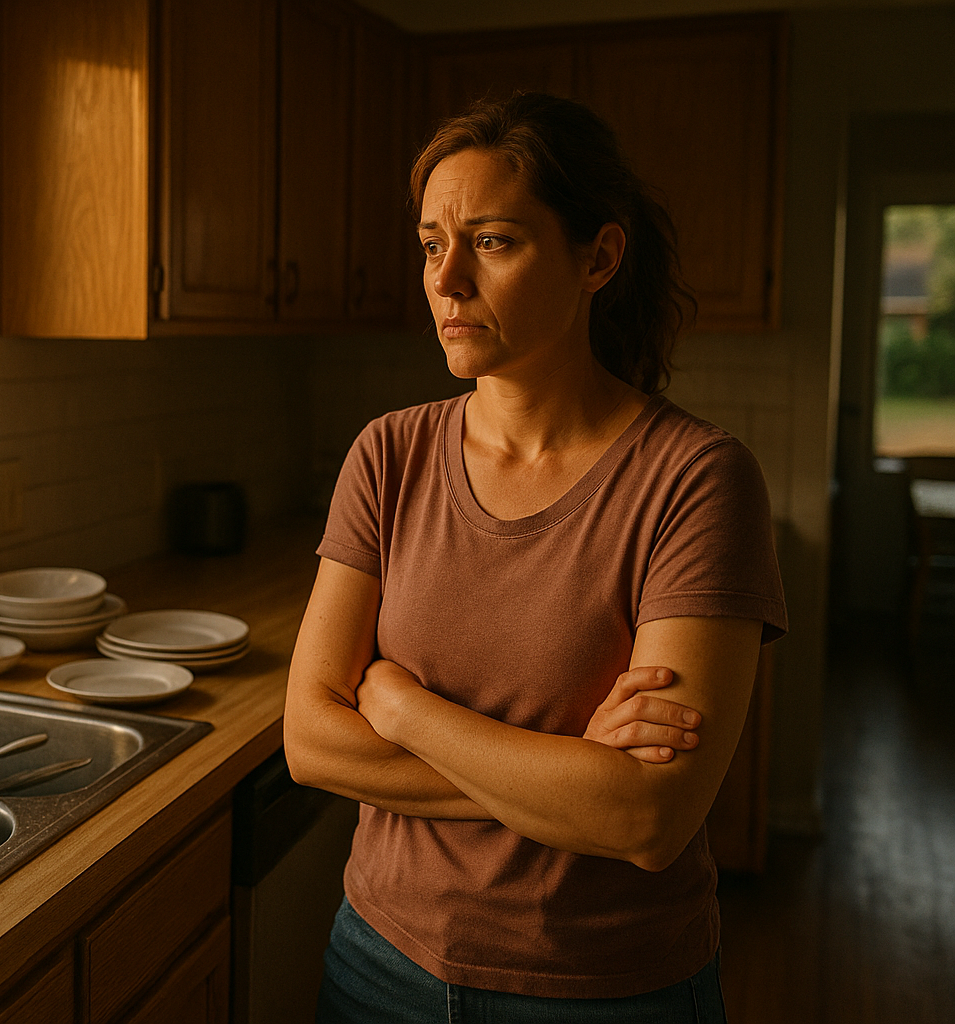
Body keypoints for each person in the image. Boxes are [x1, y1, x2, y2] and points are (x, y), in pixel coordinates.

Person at [283, 92, 788, 1023]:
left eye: (494, 241)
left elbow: (645, 820)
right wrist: (565, 778)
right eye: (434, 244)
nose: (447, 282)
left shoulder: (698, 480)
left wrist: (397, 704)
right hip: (376, 965)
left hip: (605, 991)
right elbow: (309, 741)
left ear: (598, 257)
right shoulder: (388, 455)